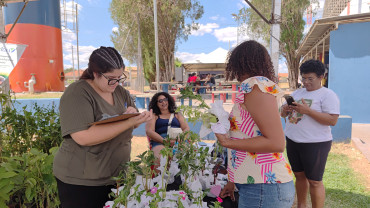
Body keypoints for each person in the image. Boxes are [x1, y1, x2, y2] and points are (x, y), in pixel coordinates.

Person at [53, 46, 152, 208]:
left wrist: (133, 114)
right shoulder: (77, 93)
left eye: (120, 77)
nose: (116, 82)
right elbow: (83, 137)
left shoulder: (120, 92)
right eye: (111, 78)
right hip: (83, 182)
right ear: (95, 73)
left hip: (116, 176)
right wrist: (127, 122)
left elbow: (127, 122)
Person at [215, 40, 295, 208]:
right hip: (257, 186)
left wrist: (226, 142)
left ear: (240, 61)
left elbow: (276, 143)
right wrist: (232, 180)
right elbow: (247, 135)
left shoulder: (255, 86)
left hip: (264, 187)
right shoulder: (252, 88)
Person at [280, 59, 340, 208]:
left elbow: (332, 120)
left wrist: (308, 111)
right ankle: (301, 205)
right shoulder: (298, 92)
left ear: (321, 77)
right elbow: (282, 115)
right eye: (303, 78)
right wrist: (285, 110)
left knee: (314, 181)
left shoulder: (328, 95)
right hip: (293, 141)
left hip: (316, 144)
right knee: (299, 176)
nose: (306, 82)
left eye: (310, 78)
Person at [145, 92, 190, 165]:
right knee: (160, 157)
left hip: (178, 140)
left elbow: (186, 128)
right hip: (160, 140)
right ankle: (161, 176)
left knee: (186, 155)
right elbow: (149, 131)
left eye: (165, 99)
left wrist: (179, 139)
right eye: (160, 101)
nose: (164, 102)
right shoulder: (154, 116)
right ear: (156, 103)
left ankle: (179, 176)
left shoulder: (177, 114)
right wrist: (164, 141)